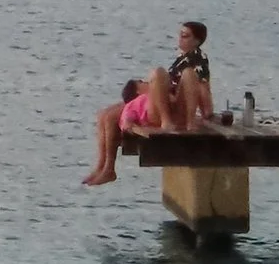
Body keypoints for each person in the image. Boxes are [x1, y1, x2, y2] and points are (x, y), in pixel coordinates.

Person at [84, 19, 213, 186]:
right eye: (180, 35)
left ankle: (108, 168)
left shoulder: (198, 59)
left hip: (169, 107)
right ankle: (102, 167)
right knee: (105, 115)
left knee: (158, 74)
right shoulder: (183, 57)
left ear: (197, 41)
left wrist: (207, 112)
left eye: (185, 36)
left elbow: (202, 87)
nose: (180, 39)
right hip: (160, 101)